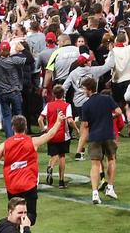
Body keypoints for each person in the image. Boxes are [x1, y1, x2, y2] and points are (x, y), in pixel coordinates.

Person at [0, 114, 63, 227]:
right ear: (26, 127)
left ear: (12, 127)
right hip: (28, 186)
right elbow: (50, 134)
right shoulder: (32, 142)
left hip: (13, 187)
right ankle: (23, 228)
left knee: (15, 216)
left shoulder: (5, 145)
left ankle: (11, 228)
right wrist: (58, 121)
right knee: (31, 215)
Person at [80, 76, 122, 204]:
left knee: (95, 165)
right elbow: (119, 112)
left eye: (83, 89)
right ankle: (110, 187)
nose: (82, 91)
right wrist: (110, 117)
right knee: (111, 160)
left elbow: (86, 125)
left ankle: (95, 194)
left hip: (94, 137)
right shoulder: (107, 99)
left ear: (89, 89)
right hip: (108, 135)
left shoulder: (86, 105)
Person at [38, 84, 76, 188]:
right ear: (63, 94)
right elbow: (70, 120)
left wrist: (44, 129)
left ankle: (51, 166)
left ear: (53, 94)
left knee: (53, 155)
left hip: (51, 134)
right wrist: (77, 129)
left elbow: (40, 119)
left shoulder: (48, 105)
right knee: (62, 156)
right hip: (63, 135)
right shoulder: (67, 105)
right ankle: (61, 181)